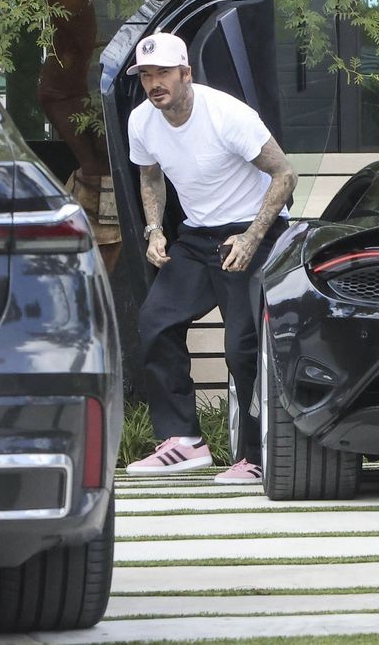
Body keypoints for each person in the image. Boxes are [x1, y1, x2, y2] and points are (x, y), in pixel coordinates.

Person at [123, 32, 297, 485]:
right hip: (197, 237)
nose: (154, 83)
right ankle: (183, 441)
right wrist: (155, 229)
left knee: (242, 346)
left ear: (186, 74)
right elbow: (150, 177)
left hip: (253, 230)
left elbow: (284, 174)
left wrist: (252, 237)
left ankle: (257, 454)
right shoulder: (142, 121)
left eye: (162, 73)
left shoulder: (227, 116)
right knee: (155, 321)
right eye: (146, 75)